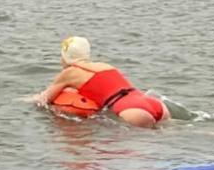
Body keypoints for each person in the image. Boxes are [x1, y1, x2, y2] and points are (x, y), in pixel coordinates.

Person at [40, 37, 171, 128]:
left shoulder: (70, 73)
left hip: (129, 110)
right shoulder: (105, 65)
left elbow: (44, 99)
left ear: (64, 57)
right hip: (153, 103)